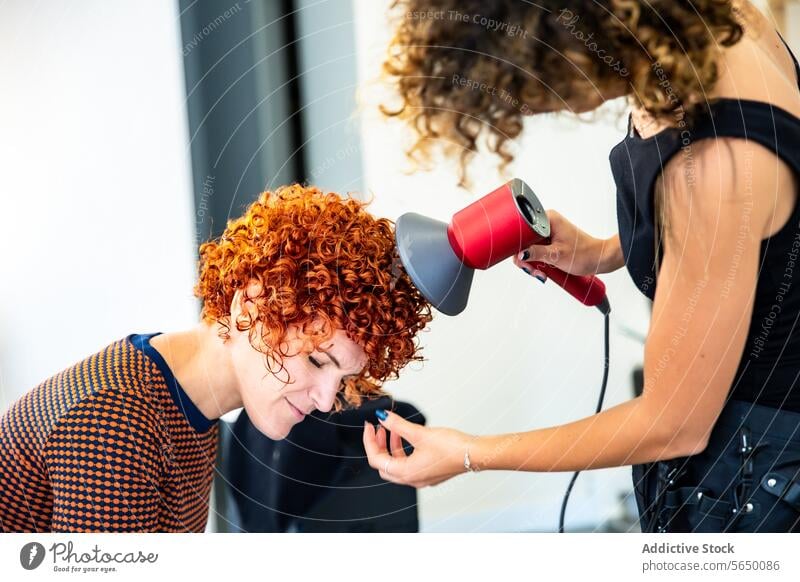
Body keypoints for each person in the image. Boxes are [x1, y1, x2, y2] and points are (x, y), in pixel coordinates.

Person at [363, 0, 800, 532]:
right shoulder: (704, 25)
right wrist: (607, 250)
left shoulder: (713, 167)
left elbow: (673, 424)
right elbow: (755, 225)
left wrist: (470, 454)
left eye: (534, 93)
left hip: (757, 475)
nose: (537, 110)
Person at [0, 184, 431, 532]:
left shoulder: (188, 409)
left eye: (341, 380)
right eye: (318, 363)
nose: (324, 400)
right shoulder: (117, 421)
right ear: (251, 306)